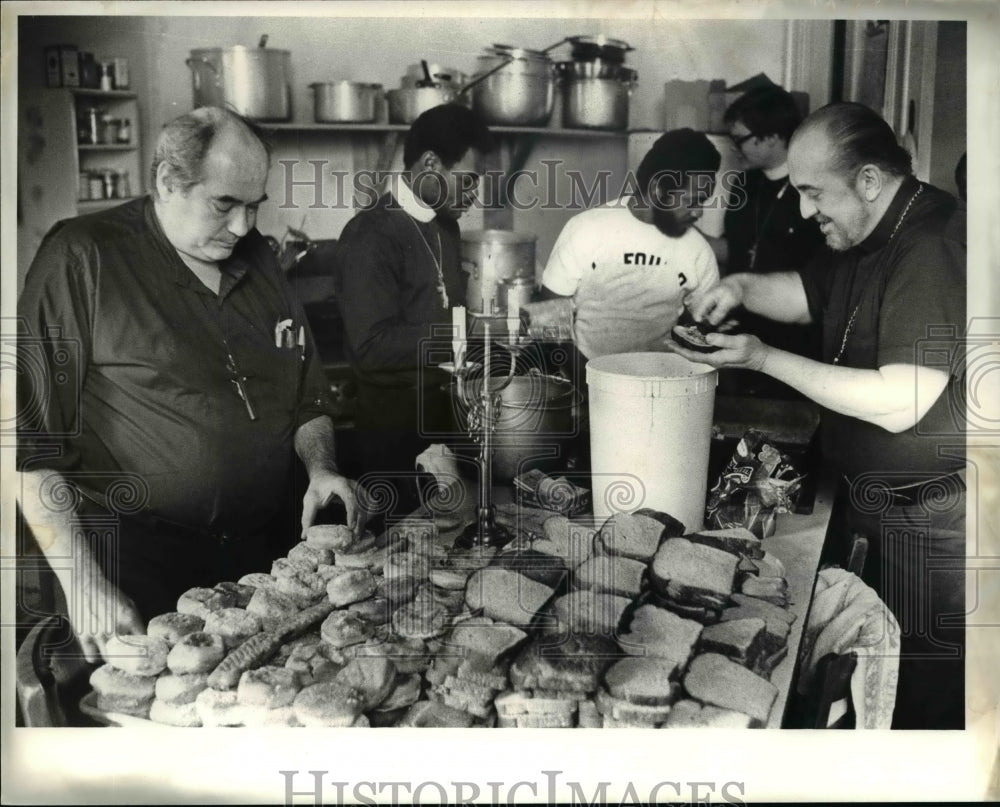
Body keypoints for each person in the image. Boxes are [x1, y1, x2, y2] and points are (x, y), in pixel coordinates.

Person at [16, 107, 363, 659]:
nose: (244, 226)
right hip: (138, 567)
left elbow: (308, 394)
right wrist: (84, 586)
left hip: (262, 564)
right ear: (167, 182)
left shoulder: (259, 259)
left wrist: (322, 468)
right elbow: (32, 444)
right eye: (224, 205)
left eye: (254, 206)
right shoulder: (82, 257)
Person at [671, 102, 966, 729]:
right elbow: (808, 295)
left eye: (813, 193)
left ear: (867, 180)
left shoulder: (932, 244)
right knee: (864, 686)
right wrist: (742, 288)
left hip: (930, 518)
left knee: (922, 698)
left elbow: (902, 401)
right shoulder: (862, 230)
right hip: (875, 501)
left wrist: (760, 356)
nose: (805, 211)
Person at [333, 104, 496, 516]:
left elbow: (447, 306)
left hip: (445, 420)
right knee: (402, 556)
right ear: (430, 163)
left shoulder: (446, 225)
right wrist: (467, 334)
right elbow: (371, 345)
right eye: (468, 180)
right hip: (393, 435)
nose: (475, 194)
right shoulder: (369, 234)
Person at [533, 128, 721, 363]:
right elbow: (545, 316)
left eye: (703, 201)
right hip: (584, 376)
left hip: (661, 383)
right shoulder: (587, 229)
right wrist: (586, 380)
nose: (698, 212)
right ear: (657, 189)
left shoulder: (698, 251)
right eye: (691, 201)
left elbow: (704, 330)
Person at [719, 84, 826, 396]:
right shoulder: (744, 183)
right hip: (743, 331)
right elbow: (736, 250)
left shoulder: (811, 187)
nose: (735, 148)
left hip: (794, 343)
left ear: (773, 136)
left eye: (740, 139)